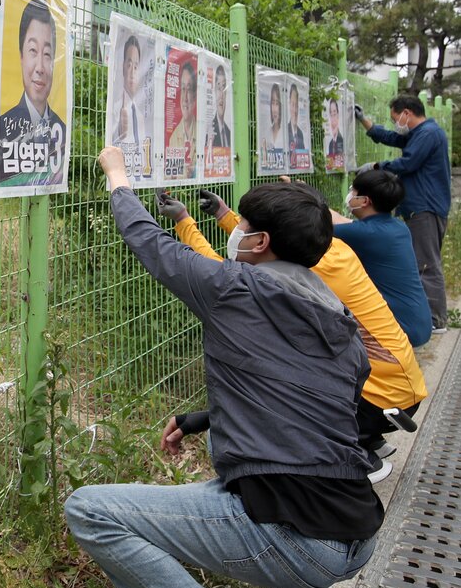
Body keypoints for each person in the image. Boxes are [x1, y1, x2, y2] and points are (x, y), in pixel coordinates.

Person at [68, 150, 378, 588]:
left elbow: (150, 243)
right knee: (246, 468)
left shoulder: (234, 288)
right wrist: (203, 419)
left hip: (300, 539)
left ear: (257, 243)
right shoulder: (337, 318)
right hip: (356, 530)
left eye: (247, 225)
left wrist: (117, 175)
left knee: (91, 510)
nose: (238, 233)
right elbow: (309, 400)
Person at [163, 186, 427, 475]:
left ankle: (359, 456)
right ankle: (369, 436)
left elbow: (218, 272)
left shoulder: (303, 277)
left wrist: (184, 222)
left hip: (378, 399)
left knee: (282, 409)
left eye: (243, 225)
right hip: (401, 387)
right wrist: (224, 215)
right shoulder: (333, 250)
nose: (239, 228)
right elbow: (267, 245)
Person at [357, 94, 452, 333]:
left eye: (395, 118)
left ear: (407, 113)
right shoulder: (421, 134)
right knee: (422, 261)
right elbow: (392, 138)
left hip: (426, 208)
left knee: (426, 264)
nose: (395, 123)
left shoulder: (428, 134)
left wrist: (377, 167)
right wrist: (365, 122)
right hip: (421, 207)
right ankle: (429, 316)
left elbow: (408, 163)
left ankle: (436, 320)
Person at [331, 168, 434, 350]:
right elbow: (340, 221)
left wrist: (302, 197)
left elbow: (322, 222)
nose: (349, 195)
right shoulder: (397, 227)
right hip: (419, 321)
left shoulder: (366, 233)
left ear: (365, 201)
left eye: (353, 191)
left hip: (401, 329)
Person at [0, 0, 66, 185]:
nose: (40, 67)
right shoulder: (0, 130)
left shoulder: (63, 134)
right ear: (21, 55)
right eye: (33, 51)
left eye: (47, 54)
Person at [111, 33, 145, 158]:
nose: (132, 72)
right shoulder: (115, 109)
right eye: (129, 65)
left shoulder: (140, 116)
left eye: (136, 67)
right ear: (123, 67)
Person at [164, 57, 198, 179]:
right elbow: (168, 176)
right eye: (182, 88)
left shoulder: (202, 132)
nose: (185, 98)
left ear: (194, 96)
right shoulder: (174, 138)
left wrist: (194, 171)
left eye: (188, 89)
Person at [286, 82, 306, 154]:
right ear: (289, 105)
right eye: (292, 105)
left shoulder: (300, 134)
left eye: (296, 105)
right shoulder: (285, 131)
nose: (294, 110)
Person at [325, 99, 345, 168]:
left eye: (334, 114)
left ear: (338, 115)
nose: (333, 119)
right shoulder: (330, 143)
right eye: (331, 115)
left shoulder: (342, 140)